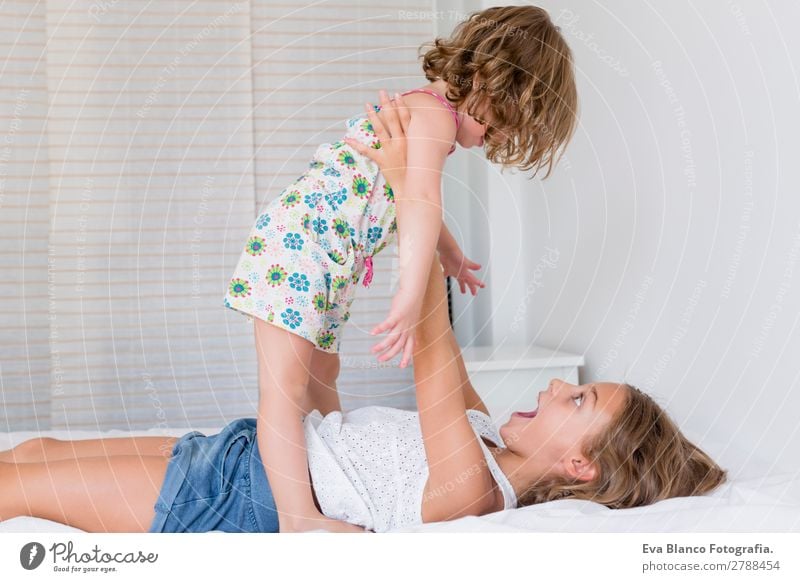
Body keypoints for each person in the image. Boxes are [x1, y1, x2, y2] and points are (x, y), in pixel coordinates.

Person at [0, 90, 726, 534]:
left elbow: (434, 351)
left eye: (577, 398)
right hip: (241, 453)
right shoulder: (482, 437)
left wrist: (408, 183)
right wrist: (418, 208)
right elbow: (444, 379)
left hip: (234, 499)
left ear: (577, 465)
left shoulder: (474, 491)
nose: (552, 388)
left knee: (17, 489)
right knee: (32, 456)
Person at [222, 5, 580, 532]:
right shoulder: (433, 115)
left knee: (324, 374)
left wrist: (450, 254)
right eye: (501, 124)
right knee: (284, 388)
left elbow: (416, 197)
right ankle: (298, 517)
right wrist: (411, 296)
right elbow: (417, 202)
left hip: (328, 260)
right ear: (487, 84)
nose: (496, 139)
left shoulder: (430, 117)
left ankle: (329, 472)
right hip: (296, 251)